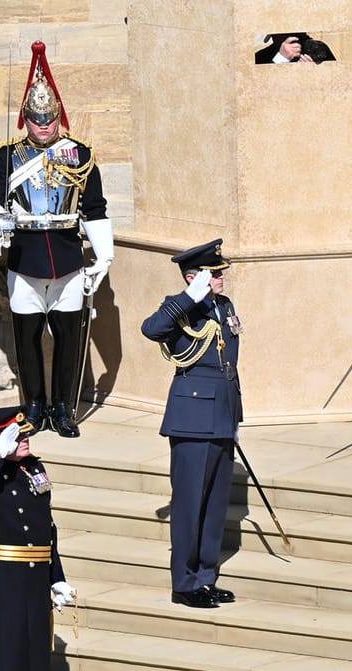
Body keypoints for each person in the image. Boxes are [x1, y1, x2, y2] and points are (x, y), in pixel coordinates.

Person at [0, 42, 114, 438]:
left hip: (67, 257)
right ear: (25, 119)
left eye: (49, 119)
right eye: (36, 119)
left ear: (58, 116)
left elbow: (94, 208)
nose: (43, 125)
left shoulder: (79, 156)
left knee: (69, 336)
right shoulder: (7, 157)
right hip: (25, 260)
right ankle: (33, 405)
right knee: (26, 338)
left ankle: (63, 406)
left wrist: (105, 256)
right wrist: (0, 221)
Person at [140, 240, 243, 610]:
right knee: (188, 506)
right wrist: (188, 296)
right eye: (213, 274)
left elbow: (229, 366)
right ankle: (184, 583)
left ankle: (205, 578)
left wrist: (234, 415)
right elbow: (151, 329)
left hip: (221, 417)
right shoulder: (182, 308)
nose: (220, 279)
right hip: (192, 420)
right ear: (193, 276)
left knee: (214, 507)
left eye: (219, 273)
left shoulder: (223, 306)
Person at [0, 406, 74, 671]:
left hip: (30, 585)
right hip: (0, 588)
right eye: (16, 435)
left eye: (25, 435)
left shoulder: (32, 470)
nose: (26, 439)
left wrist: (56, 578)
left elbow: (47, 529)